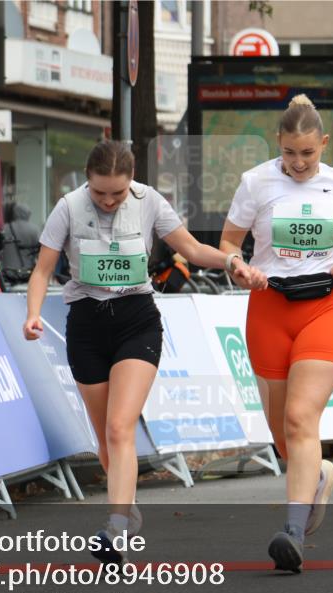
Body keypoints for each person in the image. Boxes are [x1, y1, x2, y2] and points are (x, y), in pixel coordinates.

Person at [23, 140, 265, 564]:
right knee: (105, 438)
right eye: (100, 193)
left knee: (120, 427)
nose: (108, 201)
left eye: (117, 193)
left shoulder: (149, 201)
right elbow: (42, 270)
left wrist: (231, 263)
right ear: (87, 181)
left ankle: (115, 528)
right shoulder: (68, 207)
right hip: (86, 325)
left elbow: (192, 249)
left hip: (136, 321)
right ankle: (128, 508)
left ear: (131, 181)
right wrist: (32, 315)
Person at [218, 95, 333, 573]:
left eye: (308, 153)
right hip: (269, 307)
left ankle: (293, 532)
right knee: (283, 432)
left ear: (323, 143)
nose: (298, 163)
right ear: (278, 141)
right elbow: (230, 241)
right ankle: (317, 476)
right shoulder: (256, 182)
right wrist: (238, 266)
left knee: (300, 417)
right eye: (290, 153)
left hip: (327, 306)